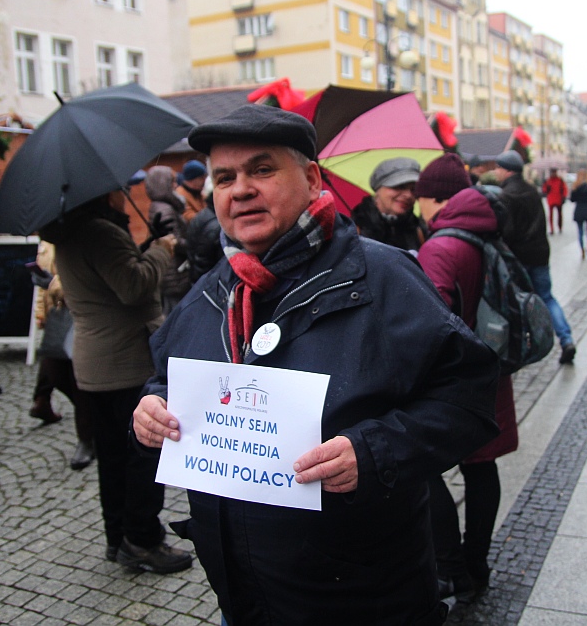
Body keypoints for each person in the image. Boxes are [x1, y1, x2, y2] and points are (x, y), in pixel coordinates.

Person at [132, 105, 500, 625]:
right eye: (224, 177)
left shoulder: (385, 278)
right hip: (244, 597)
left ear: (309, 179)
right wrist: (152, 407)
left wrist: (373, 453)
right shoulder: (211, 291)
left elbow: (469, 398)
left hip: (366, 602)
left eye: (261, 170)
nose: (240, 190)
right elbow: (166, 380)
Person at [40, 189, 193, 573]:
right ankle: (142, 540)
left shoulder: (72, 232)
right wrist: (162, 249)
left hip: (96, 364)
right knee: (142, 456)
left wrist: (141, 244)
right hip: (126, 362)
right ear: (106, 193)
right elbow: (132, 286)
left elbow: (107, 276)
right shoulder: (100, 232)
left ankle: (118, 536)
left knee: (112, 457)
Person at [413, 153, 518, 602]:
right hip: (489, 369)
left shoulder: (440, 246)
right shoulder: (479, 235)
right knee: (481, 467)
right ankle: (477, 563)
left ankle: (452, 568)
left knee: (423, 470)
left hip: (451, 381)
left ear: (433, 198)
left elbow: (432, 321)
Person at [493, 150, 577, 364]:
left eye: (497, 168)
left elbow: (507, 231)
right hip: (539, 254)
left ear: (506, 170)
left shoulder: (505, 196)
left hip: (518, 259)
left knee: (517, 303)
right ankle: (566, 339)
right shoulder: (532, 191)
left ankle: (524, 348)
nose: (495, 172)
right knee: (547, 297)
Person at [29, 240, 95, 470]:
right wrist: (41, 312)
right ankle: (91, 417)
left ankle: (86, 438)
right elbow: (42, 288)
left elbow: (86, 281)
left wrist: (54, 283)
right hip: (57, 318)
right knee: (55, 374)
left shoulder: (81, 240)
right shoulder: (47, 244)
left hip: (83, 319)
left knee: (80, 382)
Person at [350, 156, 425, 251]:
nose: (408, 195)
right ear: (378, 189)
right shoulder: (354, 229)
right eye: (399, 186)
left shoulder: (420, 231)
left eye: (413, 189)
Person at [146, 165, 191, 315]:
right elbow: (173, 240)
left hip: (172, 271)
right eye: (171, 181)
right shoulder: (164, 209)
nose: (175, 184)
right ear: (162, 183)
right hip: (175, 272)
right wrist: (193, 244)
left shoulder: (162, 206)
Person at [186, 192, 223, 284]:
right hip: (207, 281)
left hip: (196, 276)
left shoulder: (204, 213)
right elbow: (203, 261)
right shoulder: (216, 227)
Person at [570, 170, 587, 259]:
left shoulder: (575, 186)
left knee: (580, 232)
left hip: (579, 211)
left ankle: (582, 249)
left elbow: (572, 199)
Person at [541, 168, 568, 235]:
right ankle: (552, 229)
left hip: (559, 199)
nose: (553, 174)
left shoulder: (560, 180)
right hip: (551, 200)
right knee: (551, 215)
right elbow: (544, 190)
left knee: (559, 215)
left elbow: (564, 189)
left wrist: (564, 196)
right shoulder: (548, 181)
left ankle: (560, 227)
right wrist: (546, 188)